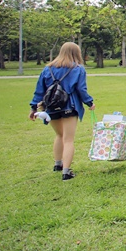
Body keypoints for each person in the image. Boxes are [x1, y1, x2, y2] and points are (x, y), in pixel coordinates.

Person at [29, 41, 95, 181]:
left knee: (59, 135)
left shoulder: (48, 69)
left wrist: (33, 107)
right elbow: (81, 89)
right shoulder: (78, 69)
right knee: (68, 139)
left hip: (51, 107)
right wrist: (89, 102)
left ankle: (57, 164)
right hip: (69, 106)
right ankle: (66, 171)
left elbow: (39, 90)